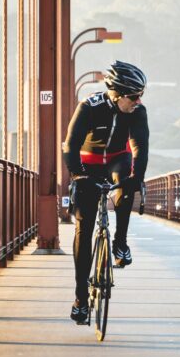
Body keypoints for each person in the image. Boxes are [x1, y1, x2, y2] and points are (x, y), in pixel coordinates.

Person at [62, 60, 149, 324]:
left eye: (141, 96)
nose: (138, 101)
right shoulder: (89, 107)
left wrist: (137, 179)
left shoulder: (137, 112)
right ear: (118, 94)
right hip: (87, 163)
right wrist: (79, 176)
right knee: (84, 229)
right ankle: (80, 299)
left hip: (116, 160)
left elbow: (140, 148)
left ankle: (120, 243)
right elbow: (70, 145)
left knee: (126, 187)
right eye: (134, 96)